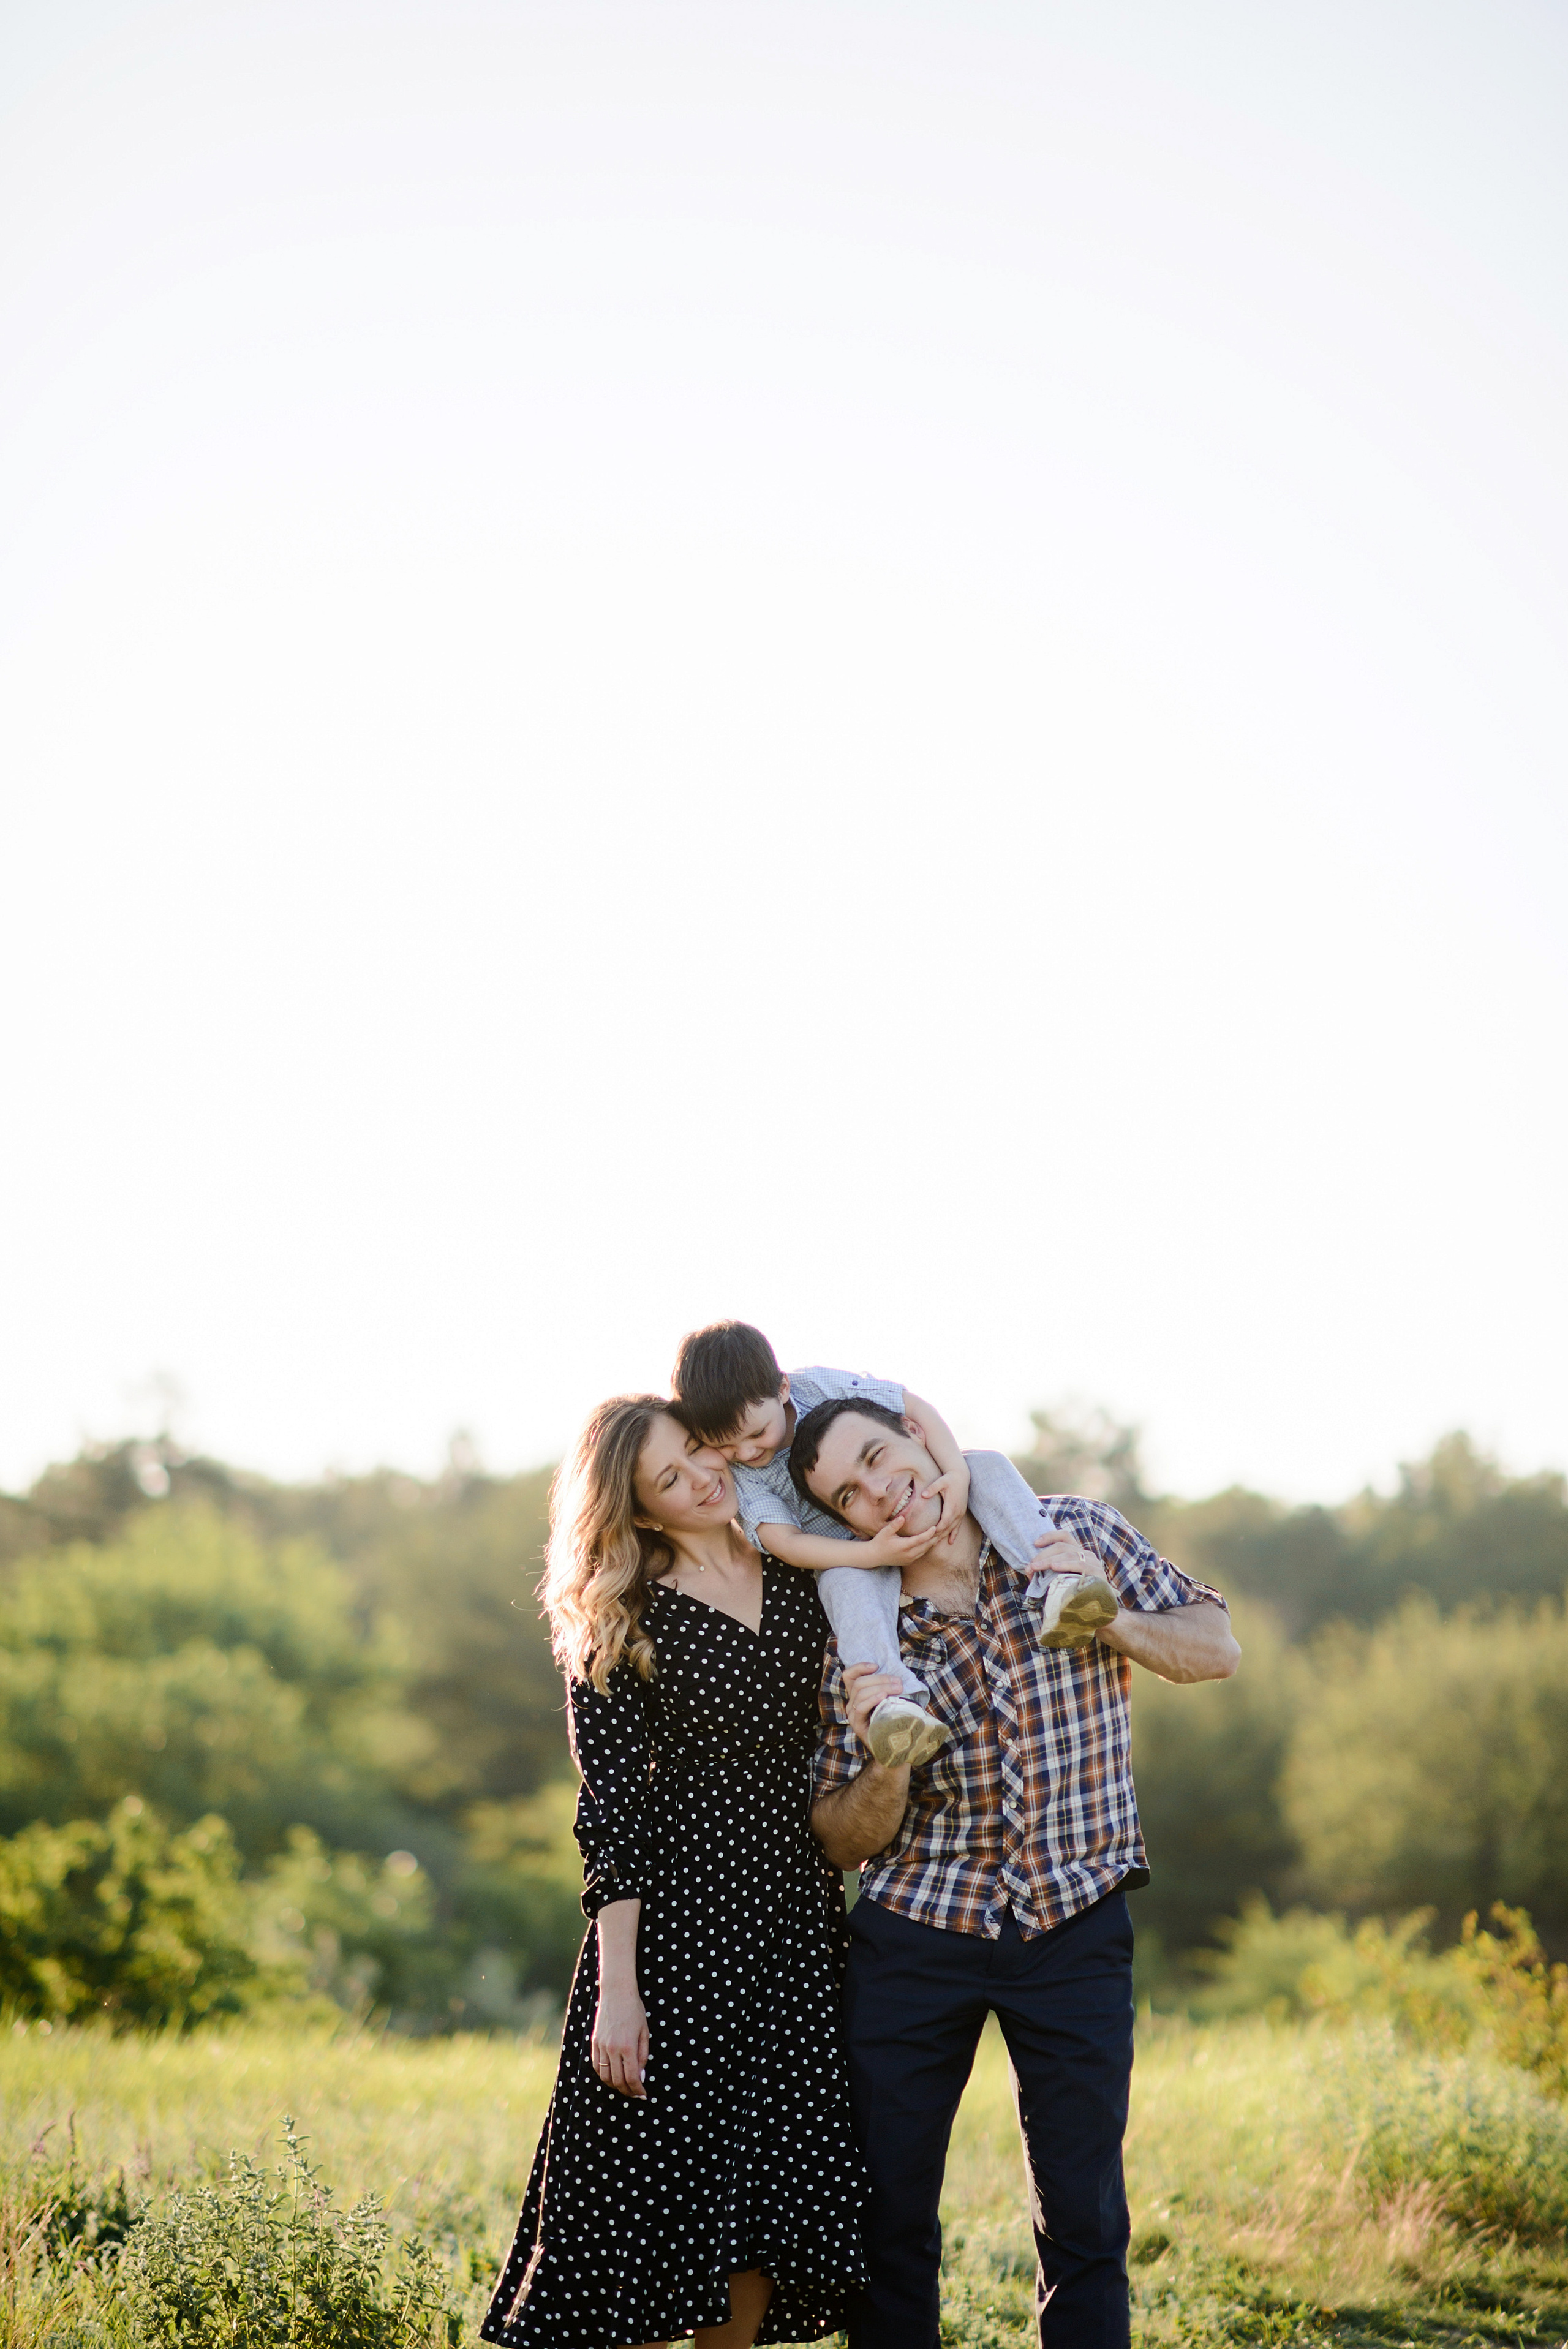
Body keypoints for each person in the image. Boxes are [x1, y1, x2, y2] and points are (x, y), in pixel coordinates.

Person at [797, 1396, 1240, 2349]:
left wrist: (1106, 1613)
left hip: (1075, 1920)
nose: (880, 1491)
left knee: (1084, 2213)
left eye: (878, 1456)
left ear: (922, 1437)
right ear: (843, 1522)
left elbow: (1216, 1647)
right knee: (887, 2213)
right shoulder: (855, 1626)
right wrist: (887, 1755)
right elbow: (838, 1839)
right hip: (916, 1935)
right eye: (849, 1494)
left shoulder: (1068, 1530)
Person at [480, 1395, 866, 2349]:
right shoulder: (622, 1614)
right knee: (650, 2214)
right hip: (674, 1940)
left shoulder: (798, 1567)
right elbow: (610, 1813)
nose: (700, 1476)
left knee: (762, 2202)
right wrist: (619, 1989)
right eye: (669, 1476)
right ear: (640, 1506)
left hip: (792, 1921)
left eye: (698, 1449)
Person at [671, 1321, 1118, 1771]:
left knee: (986, 1464)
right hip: (847, 1549)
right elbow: (783, 1541)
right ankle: (894, 1704)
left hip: (905, 1508)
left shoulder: (817, 1385)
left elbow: (912, 1407)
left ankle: (1060, 1584)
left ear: (783, 1387)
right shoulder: (746, 1474)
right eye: (726, 1446)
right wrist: (869, 1554)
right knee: (841, 1584)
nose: (746, 1454)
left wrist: (955, 1474)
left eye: (756, 1434)